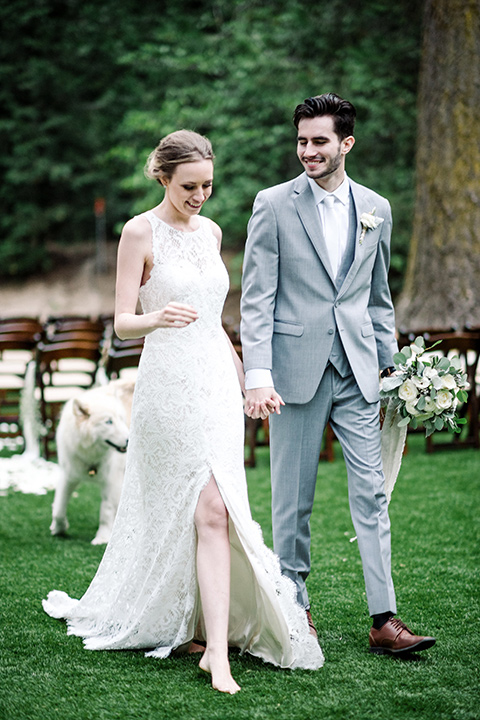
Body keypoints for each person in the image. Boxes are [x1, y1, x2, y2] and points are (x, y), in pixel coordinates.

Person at [42, 130, 323, 695]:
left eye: (208, 185)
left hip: (216, 381)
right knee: (201, 508)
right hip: (167, 383)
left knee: (217, 510)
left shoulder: (213, 231)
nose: (200, 196)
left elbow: (217, 319)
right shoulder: (138, 232)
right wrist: (156, 317)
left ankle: (212, 643)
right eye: (189, 186)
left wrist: (248, 382)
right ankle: (212, 649)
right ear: (163, 177)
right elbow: (122, 321)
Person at [240, 94, 436, 656]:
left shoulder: (377, 207)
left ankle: (384, 618)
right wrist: (258, 374)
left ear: (346, 143)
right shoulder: (272, 205)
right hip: (293, 373)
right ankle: (294, 608)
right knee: (291, 498)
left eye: (319, 141)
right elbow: (258, 298)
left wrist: (395, 372)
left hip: (358, 371)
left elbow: (378, 300)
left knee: (373, 493)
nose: (308, 151)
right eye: (301, 141)